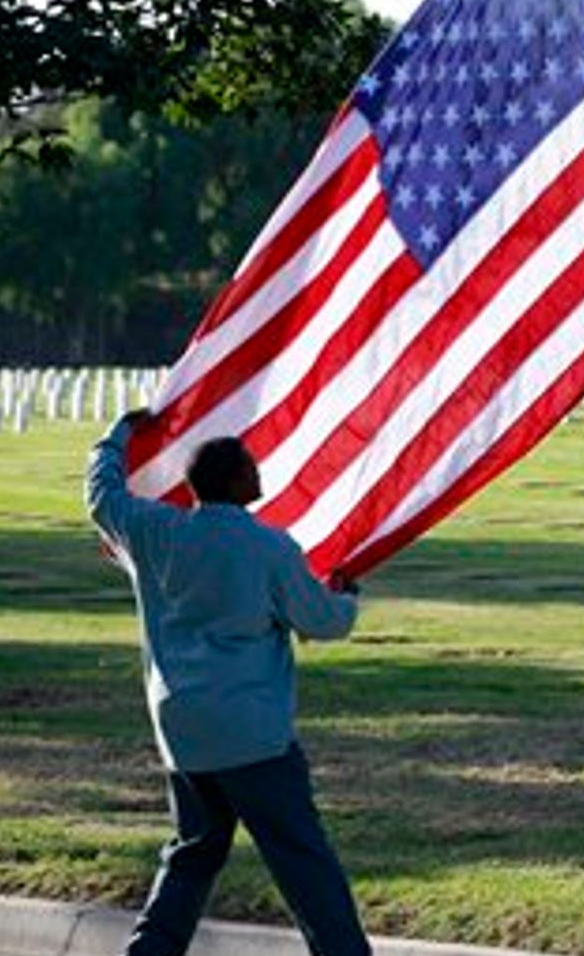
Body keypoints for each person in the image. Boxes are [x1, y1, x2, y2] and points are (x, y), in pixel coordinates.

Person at [86, 410, 371, 956]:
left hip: (184, 733)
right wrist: (349, 597)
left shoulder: (154, 531)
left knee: (192, 855)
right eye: (250, 466)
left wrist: (119, 434)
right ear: (237, 482)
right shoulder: (269, 548)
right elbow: (322, 621)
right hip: (254, 735)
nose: (258, 470)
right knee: (303, 860)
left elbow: (101, 495)